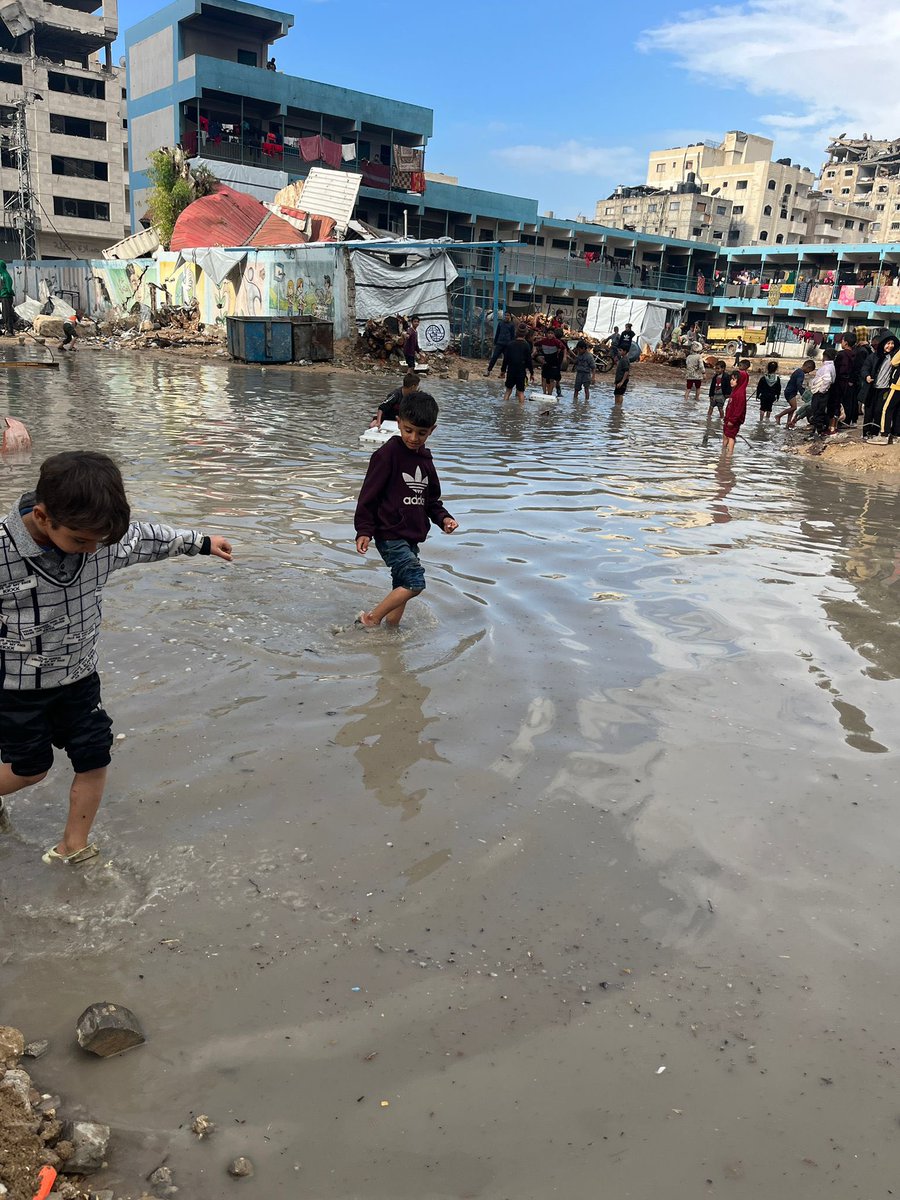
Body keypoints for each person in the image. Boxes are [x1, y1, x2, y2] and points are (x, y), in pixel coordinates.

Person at [0, 451, 233, 864]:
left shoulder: (102, 539)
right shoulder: (3, 551)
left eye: (100, 543)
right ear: (42, 515)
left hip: (79, 678)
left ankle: (74, 846)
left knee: (95, 755)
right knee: (28, 769)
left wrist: (202, 543)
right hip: (17, 687)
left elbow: (148, 539)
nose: (92, 552)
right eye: (80, 541)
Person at [354, 391, 458, 628]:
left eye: (421, 433)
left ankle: (392, 631)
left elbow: (431, 500)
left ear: (432, 430)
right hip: (389, 533)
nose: (413, 438)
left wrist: (444, 519)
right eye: (408, 430)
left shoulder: (425, 460)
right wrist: (364, 530)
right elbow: (368, 496)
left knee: (400, 583)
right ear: (398, 422)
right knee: (414, 583)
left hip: (411, 535)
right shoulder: (386, 455)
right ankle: (370, 619)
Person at [859, 334, 897, 440]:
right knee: (868, 412)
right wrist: (867, 376)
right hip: (872, 389)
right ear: (882, 344)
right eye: (888, 343)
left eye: (892, 343)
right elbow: (865, 368)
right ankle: (866, 433)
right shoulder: (873, 356)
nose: (890, 346)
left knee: (879, 411)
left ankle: (875, 433)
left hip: (884, 389)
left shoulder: (894, 357)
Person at [775, 360, 815, 427]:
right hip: (790, 392)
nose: (808, 372)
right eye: (809, 370)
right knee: (794, 407)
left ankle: (788, 423)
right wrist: (803, 393)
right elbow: (799, 384)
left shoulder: (797, 371)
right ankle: (779, 416)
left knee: (792, 408)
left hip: (790, 391)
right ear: (808, 367)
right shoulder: (801, 373)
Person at [808, 347, 837, 435]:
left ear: (825, 356)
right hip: (823, 391)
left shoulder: (826, 368)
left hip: (820, 393)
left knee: (817, 411)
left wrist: (821, 390)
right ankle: (818, 429)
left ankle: (818, 431)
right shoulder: (831, 366)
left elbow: (827, 380)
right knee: (819, 411)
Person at [502, 326, 534, 404]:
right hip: (521, 371)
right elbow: (529, 360)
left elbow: (506, 359)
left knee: (508, 391)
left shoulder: (510, 344)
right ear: (525, 334)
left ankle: (504, 408)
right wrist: (531, 373)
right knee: (521, 392)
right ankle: (521, 411)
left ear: (516, 333)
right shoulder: (526, 345)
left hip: (511, 370)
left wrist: (503, 370)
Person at [832, 332, 856, 434]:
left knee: (836, 403)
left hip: (840, 382)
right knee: (847, 403)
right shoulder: (856, 354)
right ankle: (845, 421)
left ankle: (834, 425)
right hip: (850, 383)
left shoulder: (841, 354)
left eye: (842, 340)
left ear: (845, 343)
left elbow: (836, 369)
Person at [722, 369, 748, 456]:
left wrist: (732, 420)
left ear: (740, 381)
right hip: (728, 419)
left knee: (731, 437)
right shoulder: (735, 391)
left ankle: (729, 455)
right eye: (731, 379)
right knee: (725, 435)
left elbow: (739, 410)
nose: (731, 381)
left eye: (734, 379)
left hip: (733, 421)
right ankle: (723, 452)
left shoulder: (740, 394)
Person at [536, 326, 568, 397]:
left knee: (551, 379)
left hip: (554, 362)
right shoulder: (543, 341)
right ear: (546, 334)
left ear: (554, 334)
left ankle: (550, 394)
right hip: (546, 362)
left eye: (551, 333)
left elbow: (564, 348)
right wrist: (535, 351)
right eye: (548, 333)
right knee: (544, 378)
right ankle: (544, 393)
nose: (550, 335)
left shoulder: (557, 342)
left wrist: (564, 358)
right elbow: (535, 344)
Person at [486, 312, 516, 377]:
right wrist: (495, 342)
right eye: (505, 315)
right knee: (494, 357)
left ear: (510, 317)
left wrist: (512, 345)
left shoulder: (512, 325)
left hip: (507, 345)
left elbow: (513, 336)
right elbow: (497, 333)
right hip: (499, 343)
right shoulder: (500, 323)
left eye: (508, 315)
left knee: (506, 359)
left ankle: (502, 373)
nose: (506, 317)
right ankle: (488, 370)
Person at [0, 260, 14, 337]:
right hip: (2, 297)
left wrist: (10, 292)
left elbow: (9, 288)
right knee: (3, 314)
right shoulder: (1, 275)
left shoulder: (6, 276)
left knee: (7, 314)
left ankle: (10, 331)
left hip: (6, 297)